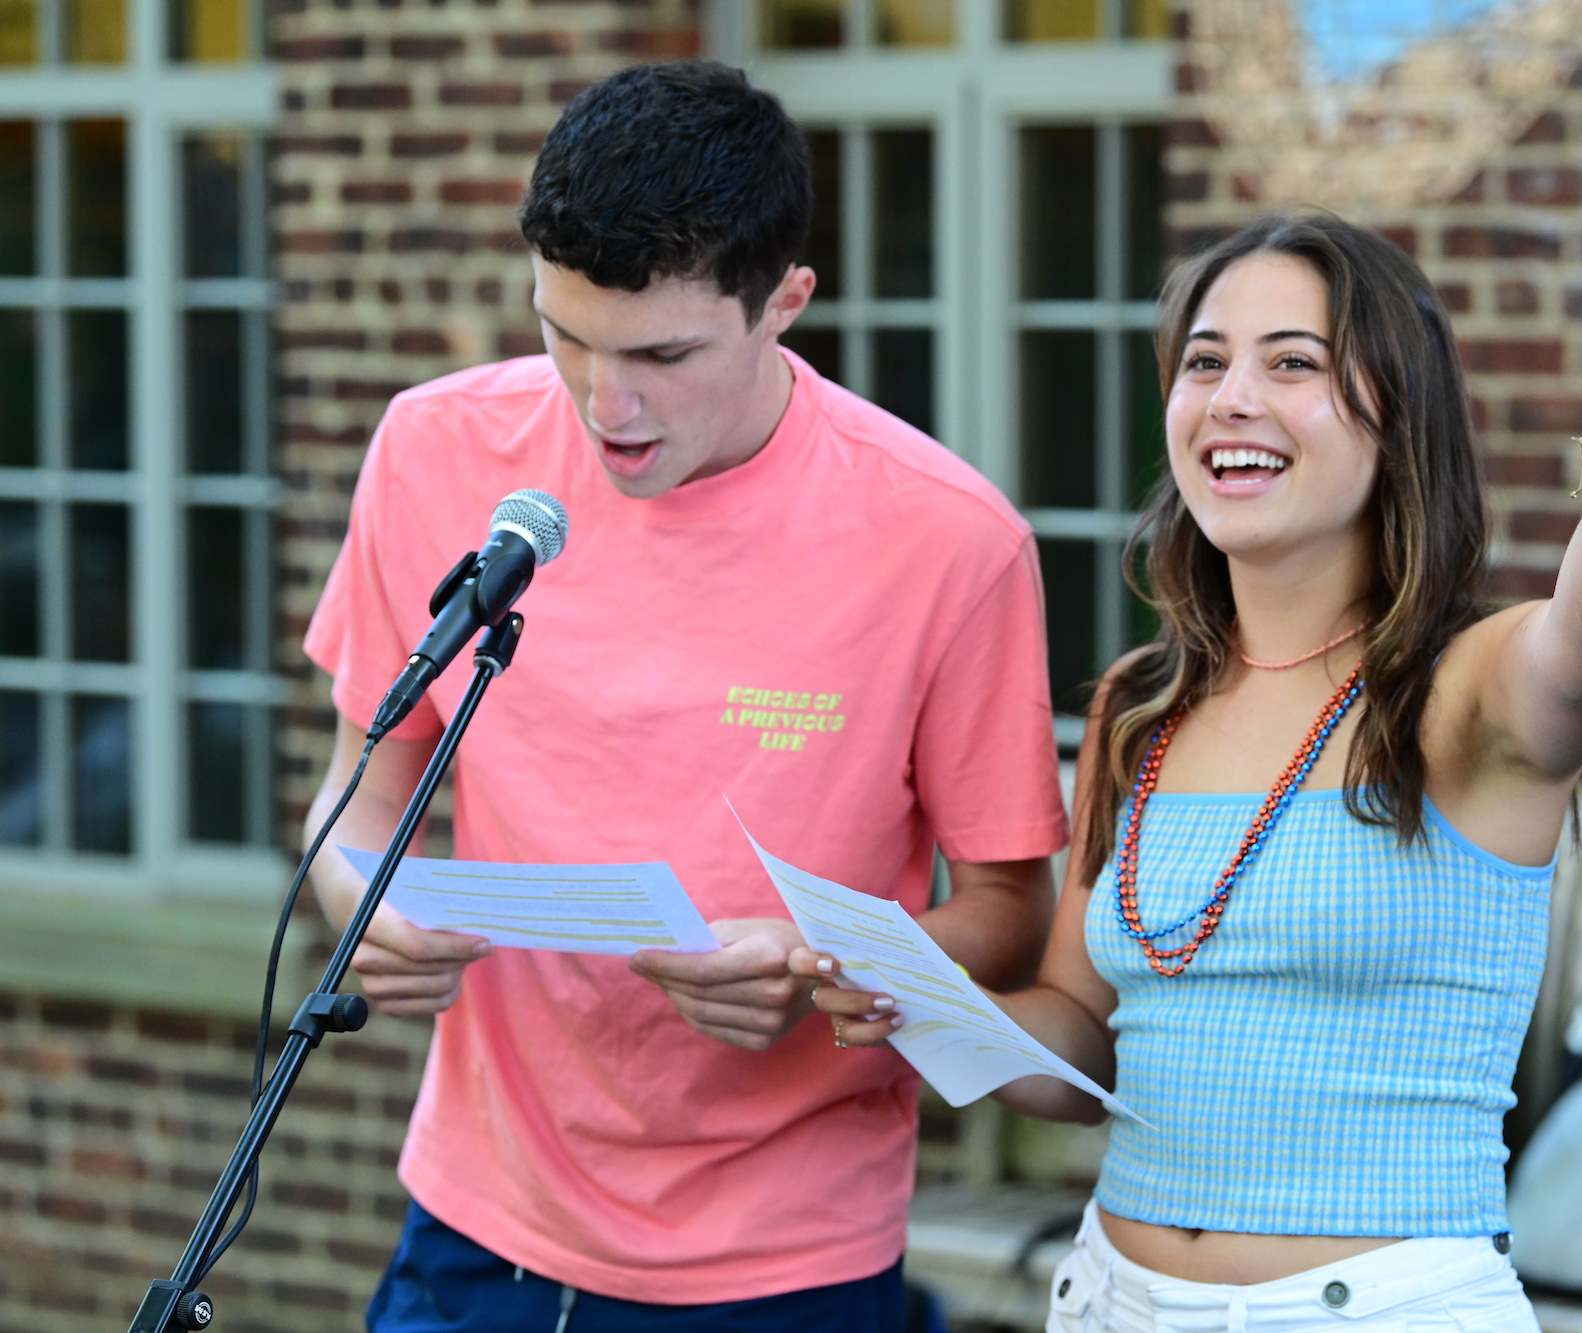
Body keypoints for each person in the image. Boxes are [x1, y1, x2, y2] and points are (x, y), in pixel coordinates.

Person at [802, 211, 1582, 1331]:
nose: (1231, 397)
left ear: (1396, 414)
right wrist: (924, 1003)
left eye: (1292, 363)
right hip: (1109, 1297)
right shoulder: (1140, 703)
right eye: (1203, 361)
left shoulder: (1467, 683)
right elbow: (1083, 1039)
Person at [301, 60, 1068, 1331]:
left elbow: (1002, 913)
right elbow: (356, 799)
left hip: (786, 1262)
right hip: (477, 1227)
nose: (609, 406)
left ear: (785, 304)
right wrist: (357, 901)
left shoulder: (948, 540)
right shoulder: (435, 451)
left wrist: (823, 968)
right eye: (565, 337)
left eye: (662, 353)